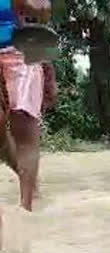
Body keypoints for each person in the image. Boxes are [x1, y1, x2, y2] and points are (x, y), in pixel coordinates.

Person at [0, 0, 57, 211]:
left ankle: (26, 209)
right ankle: (25, 177)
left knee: (24, 128)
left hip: (20, 50)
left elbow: (43, 11)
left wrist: (48, 69)